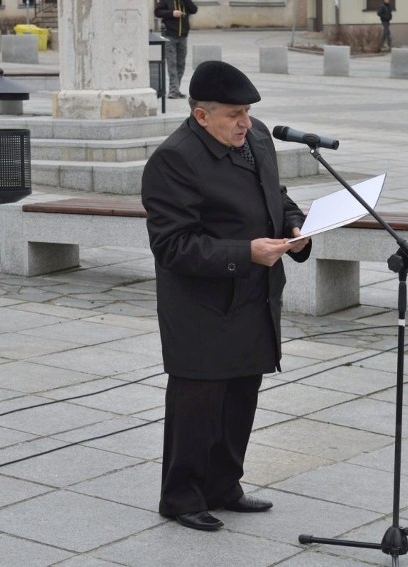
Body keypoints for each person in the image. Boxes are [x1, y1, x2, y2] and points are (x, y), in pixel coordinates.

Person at [141, 60, 312, 532]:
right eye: (234, 114)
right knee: (198, 405)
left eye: (249, 111)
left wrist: (295, 225)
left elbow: (274, 194)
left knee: (241, 397)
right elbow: (172, 246)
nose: (245, 122)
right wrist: (246, 253)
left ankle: (223, 485)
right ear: (201, 115)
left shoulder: (255, 136)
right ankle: (181, 496)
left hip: (253, 296)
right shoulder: (174, 159)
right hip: (200, 306)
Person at [155, 0, 198, 99]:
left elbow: (194, 10)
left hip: (183, 36)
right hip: (169, 35)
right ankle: (173, 90)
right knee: (172, 63)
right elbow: (157, 12)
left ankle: (176, 89)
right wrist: (172, 13)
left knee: (181, 64)